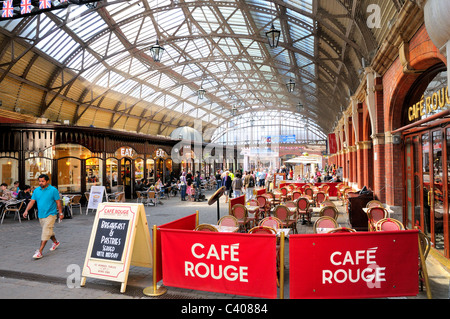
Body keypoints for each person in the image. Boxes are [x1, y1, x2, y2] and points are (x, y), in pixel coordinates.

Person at [23, 174, 63, 259]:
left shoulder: (53, 190)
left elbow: (58, 202)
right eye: (39, 181)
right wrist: (26, 210)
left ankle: (40, 252)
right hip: (41, 215)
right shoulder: (36, 190)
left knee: (45, 232)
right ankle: (55, 242)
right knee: (48, 230)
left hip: (51, 214)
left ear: (47, 181)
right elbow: (32, 202)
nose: (40, 183)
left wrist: (61, 213)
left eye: (42, 181)